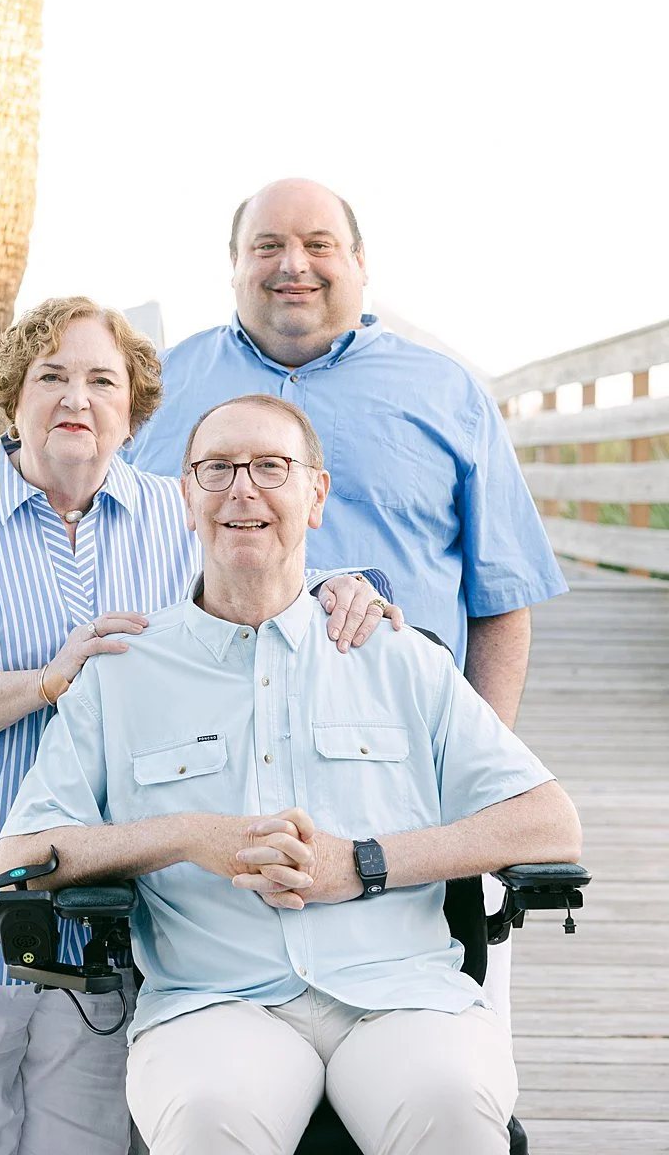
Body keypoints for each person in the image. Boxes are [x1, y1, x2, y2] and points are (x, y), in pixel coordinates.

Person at [0, 296, 397, 1155]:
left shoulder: (172, 521)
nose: (77, 398)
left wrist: (340, 587)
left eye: (103, 380)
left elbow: (256, 575)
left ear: (133, 411)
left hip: (108, 928)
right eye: (51, 376)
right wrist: (46, 682)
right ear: (12, 398)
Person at [0, 393, 582, 1155]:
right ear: (185, 499)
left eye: (271, 466)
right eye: (216, 470)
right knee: (208, 1114)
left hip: (400, 994)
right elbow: (21, 855)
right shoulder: (122, 673)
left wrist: (362, 864)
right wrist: (187, 836)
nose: (243, 489)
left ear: (316, 495)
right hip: (214, 1002)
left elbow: (550, 822)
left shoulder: (400, 659)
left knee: (452, 1101)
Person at [123, 177, 567, 1029]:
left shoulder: (445, 392)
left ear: (360, 263)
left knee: (445, 1048)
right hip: (211, 778)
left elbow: (501, 600)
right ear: (232, 266)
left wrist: (472, 786)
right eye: (268, 247)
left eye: (320, 244)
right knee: (216, 1051)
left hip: (405, 775)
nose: (295, 265)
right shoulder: (159, 390)